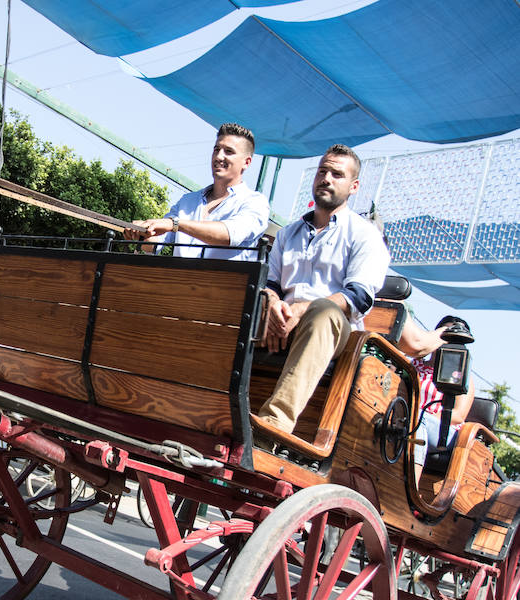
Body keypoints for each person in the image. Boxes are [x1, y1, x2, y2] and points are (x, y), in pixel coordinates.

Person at [255, 144, 390, 441]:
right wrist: (273, 304)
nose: (326, 178)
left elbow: (358, 296)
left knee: (322, 312)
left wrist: (300, 309)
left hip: (334, 331)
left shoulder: (364, 234)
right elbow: (272, 283)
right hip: (282, 320)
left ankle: (273, 426)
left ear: (354, 186)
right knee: (244, 299)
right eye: (322, 171)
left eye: (337, 174)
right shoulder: (288, 234)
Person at [122, 123, 269, 260]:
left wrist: (176, 224)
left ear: (246, 162)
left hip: (224, 286)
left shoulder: (255, 203)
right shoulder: (187, 201)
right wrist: (142, 234)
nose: (219, 156)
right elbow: (155, 244)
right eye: (216, 149)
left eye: (229, 152)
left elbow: (229, 235)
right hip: (176, 284)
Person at [398, 315, 476, 473]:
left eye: (454, 338)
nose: (447, 341)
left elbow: (458, 415)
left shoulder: (461, 375)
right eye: (445, 335)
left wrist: (419, 414)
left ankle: (411, 487)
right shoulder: (413, 365)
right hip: (404, 416)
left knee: (418, 422)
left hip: (442, 428)